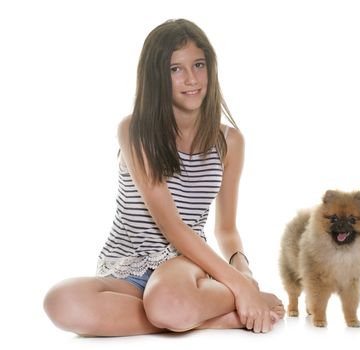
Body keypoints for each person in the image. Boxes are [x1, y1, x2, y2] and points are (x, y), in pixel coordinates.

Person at [43, 18, 284, 336]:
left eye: (198, 65)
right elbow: (169, 224)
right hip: (126, 268)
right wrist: (241, 289)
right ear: (157, 76)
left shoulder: (230, 142)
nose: (191, 79)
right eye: (176, 69)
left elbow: (225, 228)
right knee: (61, 302)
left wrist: (242, 271)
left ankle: (181, 310)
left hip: (183, 265)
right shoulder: (134, 131)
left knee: (168, 300)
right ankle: (206, 317)